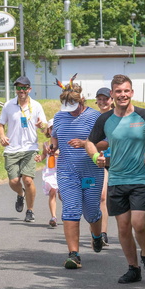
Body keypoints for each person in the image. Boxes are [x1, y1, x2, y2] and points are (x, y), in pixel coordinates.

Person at [85, 74, 145, 284]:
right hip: (116, 180)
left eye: (126, 91)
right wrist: (96, 157)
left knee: (138, 224)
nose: (122, 95)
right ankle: (133, 268)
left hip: (140, 178)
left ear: (132, 93)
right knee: (123, 227)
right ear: (112, 94)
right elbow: (90, 143)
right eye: (118, 91)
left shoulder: (143, 115)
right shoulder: (105, 119)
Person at [50, 76, 106, 269]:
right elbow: (55, 138)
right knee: (71, 209)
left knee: (91, 212)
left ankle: (97, 235)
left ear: (81, 100)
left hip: (90, 171)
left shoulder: (95, 117)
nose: (71, 111)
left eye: (73, 106)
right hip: (67, 171)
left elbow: (106, 142)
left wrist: (85, 144)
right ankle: (74, 254)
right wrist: (51, 147)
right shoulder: (59, 117)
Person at [0, 76, 47, 222]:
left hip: (30, 148)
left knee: (28, 180)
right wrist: (2, 136)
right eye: (19, 87)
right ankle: (21, 194)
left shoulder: (36, 106)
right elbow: (0, 124)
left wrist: (42, 126)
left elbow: (45, 129)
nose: (21, 90)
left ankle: (30, 210)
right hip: (12, 149)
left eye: (24, 87)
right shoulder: (8, 105)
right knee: (14, 181)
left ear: (29, 89)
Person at [95, 87, 114, 246]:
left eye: (105, 99)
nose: (102, 102)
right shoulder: (93, 118)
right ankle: (101, 234)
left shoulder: (117, 117)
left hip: (116, 163)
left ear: (111, 100)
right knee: (101, 197)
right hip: (99, 163)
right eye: (99, 99)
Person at [35, 119, 59, 228]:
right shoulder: (46, 144)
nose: (54, 130)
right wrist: (40, 157)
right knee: (52, 192)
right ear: (48, 131)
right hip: (51, 171)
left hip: (62, 171)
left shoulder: (64, 143)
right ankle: (53, 216)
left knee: (63, 196)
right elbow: (44, 154)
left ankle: (68, 213)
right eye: (52, 128)